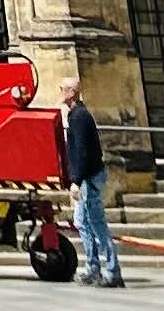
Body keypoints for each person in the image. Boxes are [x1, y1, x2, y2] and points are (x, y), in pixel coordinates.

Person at [58, 91, 121, 291]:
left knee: (97, 224)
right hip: (88, 177)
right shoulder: (76, 115)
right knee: (82, 222)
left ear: (71, 93)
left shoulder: (79, 116)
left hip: (89, 178)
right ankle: (93, 268)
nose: (60, 92)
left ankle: (113, 272)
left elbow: (82, 152)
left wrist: (76, 180)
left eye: (63, 89)